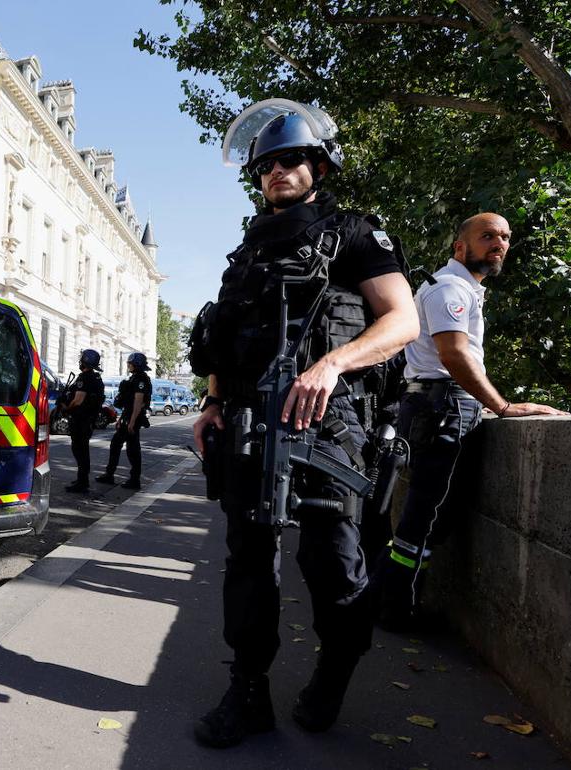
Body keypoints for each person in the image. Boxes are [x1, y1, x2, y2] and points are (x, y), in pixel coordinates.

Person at [190, 102, 420, 747]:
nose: (276, 172)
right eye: (265, 165)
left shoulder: (352, 234)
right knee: (247, 561)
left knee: (332, 560)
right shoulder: (247, 249)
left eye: (290, 159)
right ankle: (248, 691)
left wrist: (331, 365)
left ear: (318, 165)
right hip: (245, 422)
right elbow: (229, 338)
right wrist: (211, 402)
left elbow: (401, 322)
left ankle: (333, 674)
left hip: (324, 422)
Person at [374, 212, 566, 629]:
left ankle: (388, 599)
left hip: (435, 405)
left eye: (504, 237)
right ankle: (396, 610)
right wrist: (503, 406)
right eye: (487, 236)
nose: (499, 243)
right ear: (461, 247)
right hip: (444, 407)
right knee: (425, 515)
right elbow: (454, 354)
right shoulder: (450, 289)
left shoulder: (459, 288)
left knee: (428, 513)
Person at [96, 352, 152, 490]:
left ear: (136, 364)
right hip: (129, 416)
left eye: (130, 363)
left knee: (131, 449)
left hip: (134, 417)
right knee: (119, 445)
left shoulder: (141, 379)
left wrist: (132, 421)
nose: (128, 365)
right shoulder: (135, 378)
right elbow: (129, 403)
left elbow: (138, 402)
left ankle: (132, 479)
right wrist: (122, 418)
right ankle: (113, 475)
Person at [63, 349, 105, 493]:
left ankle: (82, 482)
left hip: (81, 419)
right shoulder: (96, 378)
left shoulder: (84, 378)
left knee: (79, 450)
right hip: (89, 419)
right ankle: (82, 479)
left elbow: (78, 400)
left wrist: (66, 408)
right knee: (83, 450)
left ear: (85, 361)